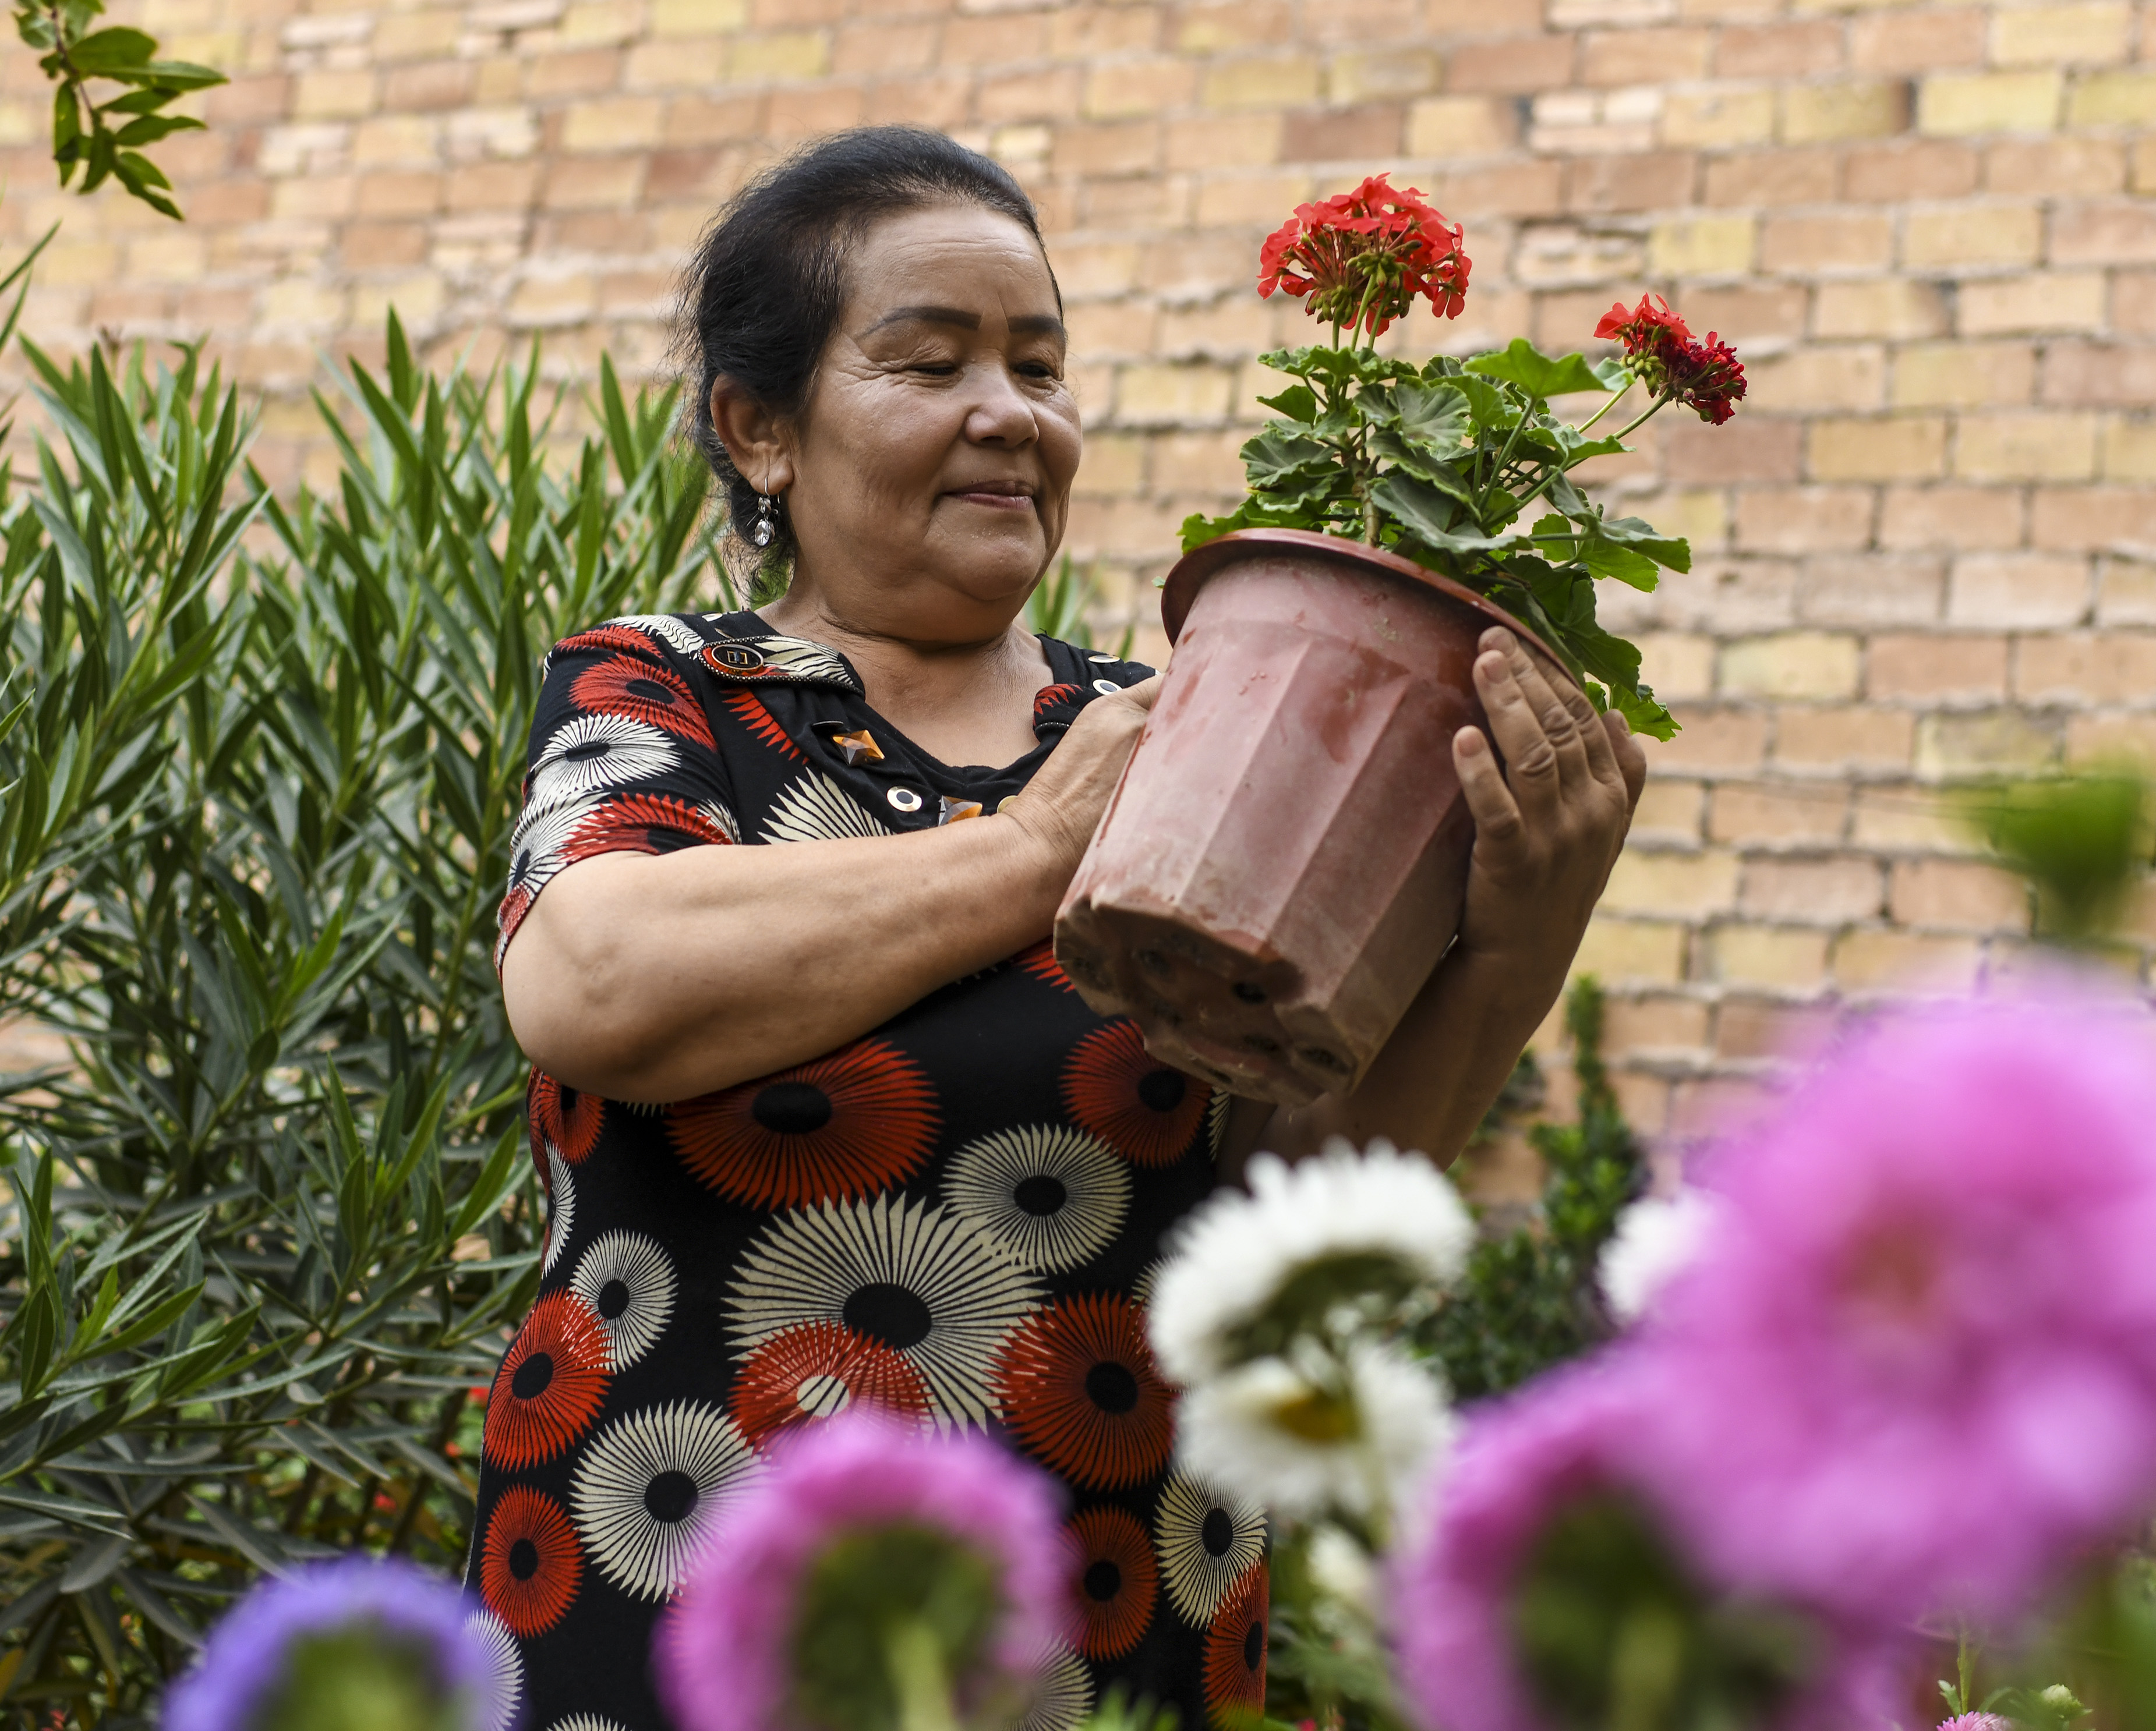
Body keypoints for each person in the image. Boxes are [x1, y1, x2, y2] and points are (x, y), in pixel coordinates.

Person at [472, 126, 1646, 1731]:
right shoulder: (667, 689)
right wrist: (1033, 843)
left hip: (1115, 1629)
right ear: (760, 430)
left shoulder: (1186, 729)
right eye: (929, 361)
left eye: (1039, 366)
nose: (1010, 414)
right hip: (686, 1612)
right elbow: (595, 981)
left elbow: (1288, 1235)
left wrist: (1510, 950)